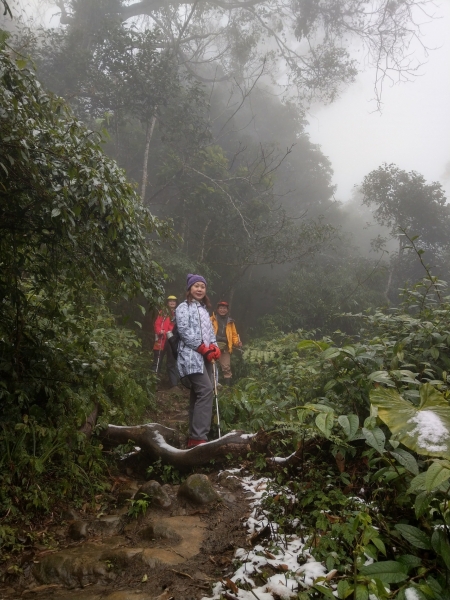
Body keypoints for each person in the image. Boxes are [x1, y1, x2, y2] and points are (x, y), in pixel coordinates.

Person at [175, 274, 221, 448]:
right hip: (191, 356)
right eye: (196, 286)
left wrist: (215, 347)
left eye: (203, 286)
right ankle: (199, 437)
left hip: (205, 359)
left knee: (198, 393)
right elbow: (185, 331)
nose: (200, 289)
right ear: (189, 288)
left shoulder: (204, 310)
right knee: (206, 390)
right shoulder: (182, 308)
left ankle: (194, 437)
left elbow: (210, 334)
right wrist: (202, 348)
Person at [211, 301, 242, 386]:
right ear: (217, 309)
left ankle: (227, 388)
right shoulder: (212, 319)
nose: (222, 310)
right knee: (211, 365)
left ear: (227, 310)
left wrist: (236, 343)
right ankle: (211, 385)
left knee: (226, 367)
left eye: (224, 308)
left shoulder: (230, 322)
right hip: (213, 346)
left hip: (225, 348)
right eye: (220, 308)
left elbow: (234, 335)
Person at [152, 295, 179, 390]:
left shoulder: (178, 313)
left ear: (176, 303)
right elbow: (157, 324)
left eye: (174, 301)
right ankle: (153, 383)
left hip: (172, 340)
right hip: (161, 339)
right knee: (157, 361)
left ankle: (174, 384)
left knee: (171, 362)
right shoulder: (162, 313)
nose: (172, 303)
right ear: (167, 303)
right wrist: (160, 331)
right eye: (170, 301)